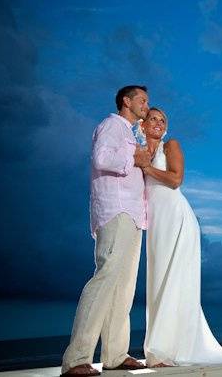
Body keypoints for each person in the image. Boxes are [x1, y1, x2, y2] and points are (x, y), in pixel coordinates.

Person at [139, 108, 222, 367]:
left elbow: (176, 179)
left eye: (162, 120)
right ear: (142, 125)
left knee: (175, 280)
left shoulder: (171, 145)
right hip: (156, 223)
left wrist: (147, 167)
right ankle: (160, 348)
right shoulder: (137, 150)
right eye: (153, 118)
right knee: (158, 280)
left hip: (177, 218)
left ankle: (161, 351)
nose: (158, 123)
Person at [61, 86, 151, 376]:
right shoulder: (112, 125)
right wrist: (134, 160)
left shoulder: (130, 132)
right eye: (142, 100)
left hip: (134, 216)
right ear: (126, 101)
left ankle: (115, 354)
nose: (146, 105)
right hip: (116, 211)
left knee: (124, 288)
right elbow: (101, 160)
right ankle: (76, 358)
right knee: (105, 278)